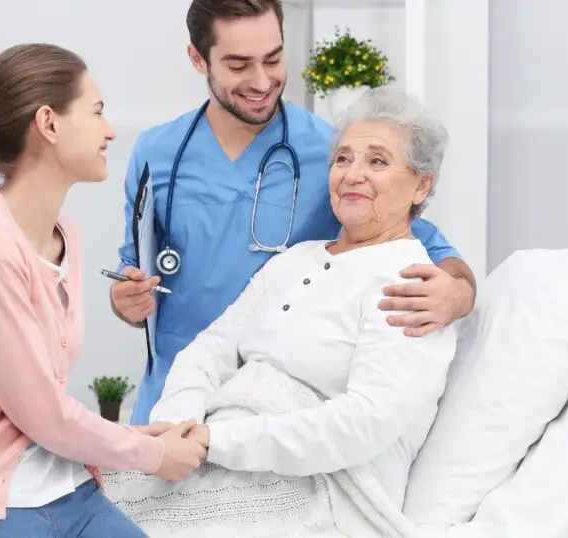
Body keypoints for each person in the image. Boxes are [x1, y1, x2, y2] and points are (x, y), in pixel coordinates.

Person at [0, 43, 208, 538]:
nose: (111, 130)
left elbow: (43, 411)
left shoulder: (65, 236)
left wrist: (133, 436)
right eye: (97, 112)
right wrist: (155, 455)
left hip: (68, 493)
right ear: (49, 124)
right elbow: (41, 412)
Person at [101, 87, 459, 536]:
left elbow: (362, 425)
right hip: (219, 450)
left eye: (378, 161)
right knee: (78, 499)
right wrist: (177, 425)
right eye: (343, 159)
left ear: (422, 184)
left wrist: (215, 441)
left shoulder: (413, 287)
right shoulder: (295, 259)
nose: (353, 175)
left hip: (327, 488)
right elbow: (210, 348)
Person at [110, 0, 477, 426]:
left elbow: (419, 239)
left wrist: (459, 292)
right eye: (239, 65)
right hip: (173, 392)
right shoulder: (155, 154)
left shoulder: (331, 152)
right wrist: (126, 301)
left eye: (273, 58)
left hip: (269, 401)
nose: (262, 81)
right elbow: (133, 267)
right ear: (198, 59)